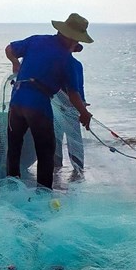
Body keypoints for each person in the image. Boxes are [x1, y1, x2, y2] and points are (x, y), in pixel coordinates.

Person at [5, 13, 93, 189]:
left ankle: (11, 186)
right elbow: (74, 95)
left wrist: (15, 63)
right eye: (77, 41)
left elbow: (9, 48)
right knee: (46, 153)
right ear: (72, 39)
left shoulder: (36, 40)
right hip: (37, 107)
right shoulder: (67, 60)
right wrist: (84, 114)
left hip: (16, 102)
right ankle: (43, 195)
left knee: (14, 148)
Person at [53, 43, 87, 179]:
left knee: (67, 140)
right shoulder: (73, 64)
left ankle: (72, 171)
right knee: (63, 139)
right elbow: (78, 90)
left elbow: (78, 89)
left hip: (67, 107)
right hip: (61, 107)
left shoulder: (75, 65)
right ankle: (72, 172)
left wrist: (82, 106)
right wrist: (82, 107)